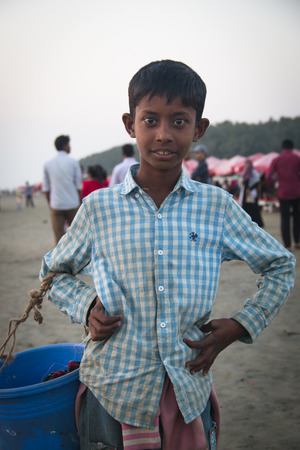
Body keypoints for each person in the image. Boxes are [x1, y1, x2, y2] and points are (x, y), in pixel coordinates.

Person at [40, 60, 295, 450]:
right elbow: (53, 272)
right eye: (150, 120)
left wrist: (243, 324)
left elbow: (280, 264)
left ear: (198, 128)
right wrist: (86, 304)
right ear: (130, 124)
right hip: (113, 388)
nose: (164, 134)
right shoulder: (99, 208)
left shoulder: (217, 207)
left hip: (187, 390)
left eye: (178, 121)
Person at [42, 135, 82, 245]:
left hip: (56, 205)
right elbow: (78, 185)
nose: (70, 147)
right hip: (72, 203)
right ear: (65, 146)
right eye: (69, 145)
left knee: (58, 237)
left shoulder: (48, 164)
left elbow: (45, 189)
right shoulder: (73, 162)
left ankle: (61, 261)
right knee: (77, 235)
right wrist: (78, 201)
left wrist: (50, 204)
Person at [267, 139, 300, 250]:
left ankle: (287, 245)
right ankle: (297, 242)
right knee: (297, 217)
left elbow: (268, 176)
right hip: (297, 191)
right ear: (292, 147)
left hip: (283, 192)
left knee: (285, 219)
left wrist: (272, 188)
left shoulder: (277, 159)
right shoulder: (297, 158)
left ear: (282, 148)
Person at [238, 159, 264, 227]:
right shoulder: (245, 172)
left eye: (247, 164)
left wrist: (250, 189)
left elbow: (257, 182)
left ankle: (256, 221)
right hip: (245, 192)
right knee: (246, 207)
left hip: (252, 192)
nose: (246, 165)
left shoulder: (254, 172)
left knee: (253, 207)